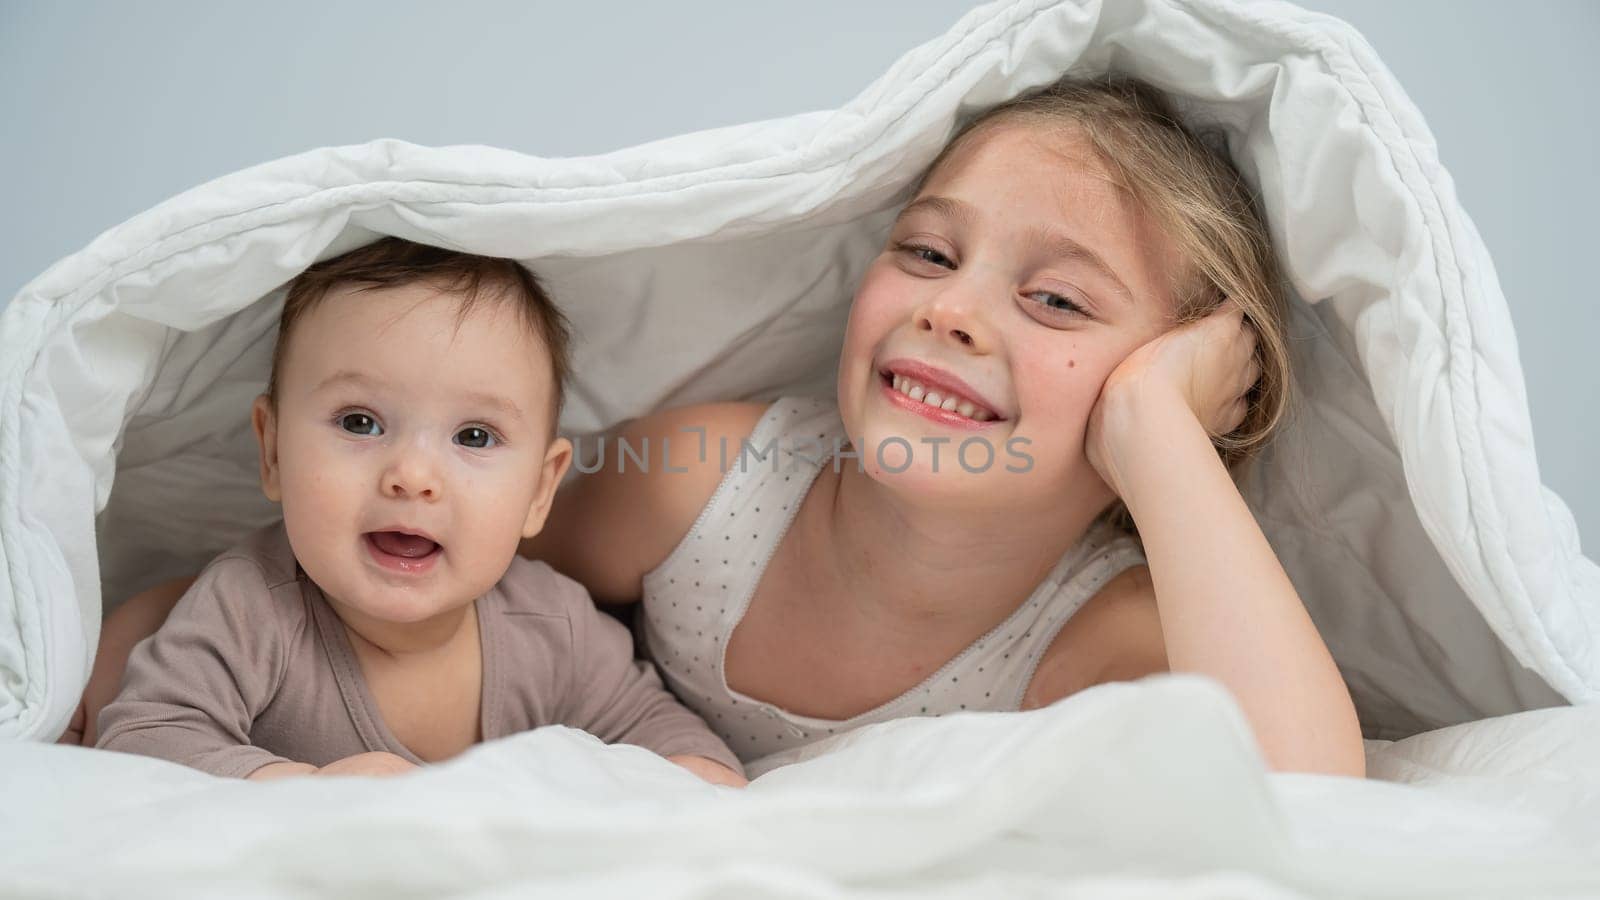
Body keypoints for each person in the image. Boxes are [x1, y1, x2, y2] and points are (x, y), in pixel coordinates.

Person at [77, 76, 1365, 777]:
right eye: (925, 251)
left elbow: (1314, 799)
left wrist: (1155, 436)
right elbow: (452, 553)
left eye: (1054, 298)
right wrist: (177, 633)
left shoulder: (1104, 631)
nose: (954, 313)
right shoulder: (701, 479)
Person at [89, 238, 745, 786]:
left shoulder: (552, 626)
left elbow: (665, 732)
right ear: (274, 452)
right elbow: (143, 739)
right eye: (360, 421)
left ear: (539, 492)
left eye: (475, 437)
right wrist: (298, 789)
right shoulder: (249, 610)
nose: (412, 477)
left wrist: (691, 782)